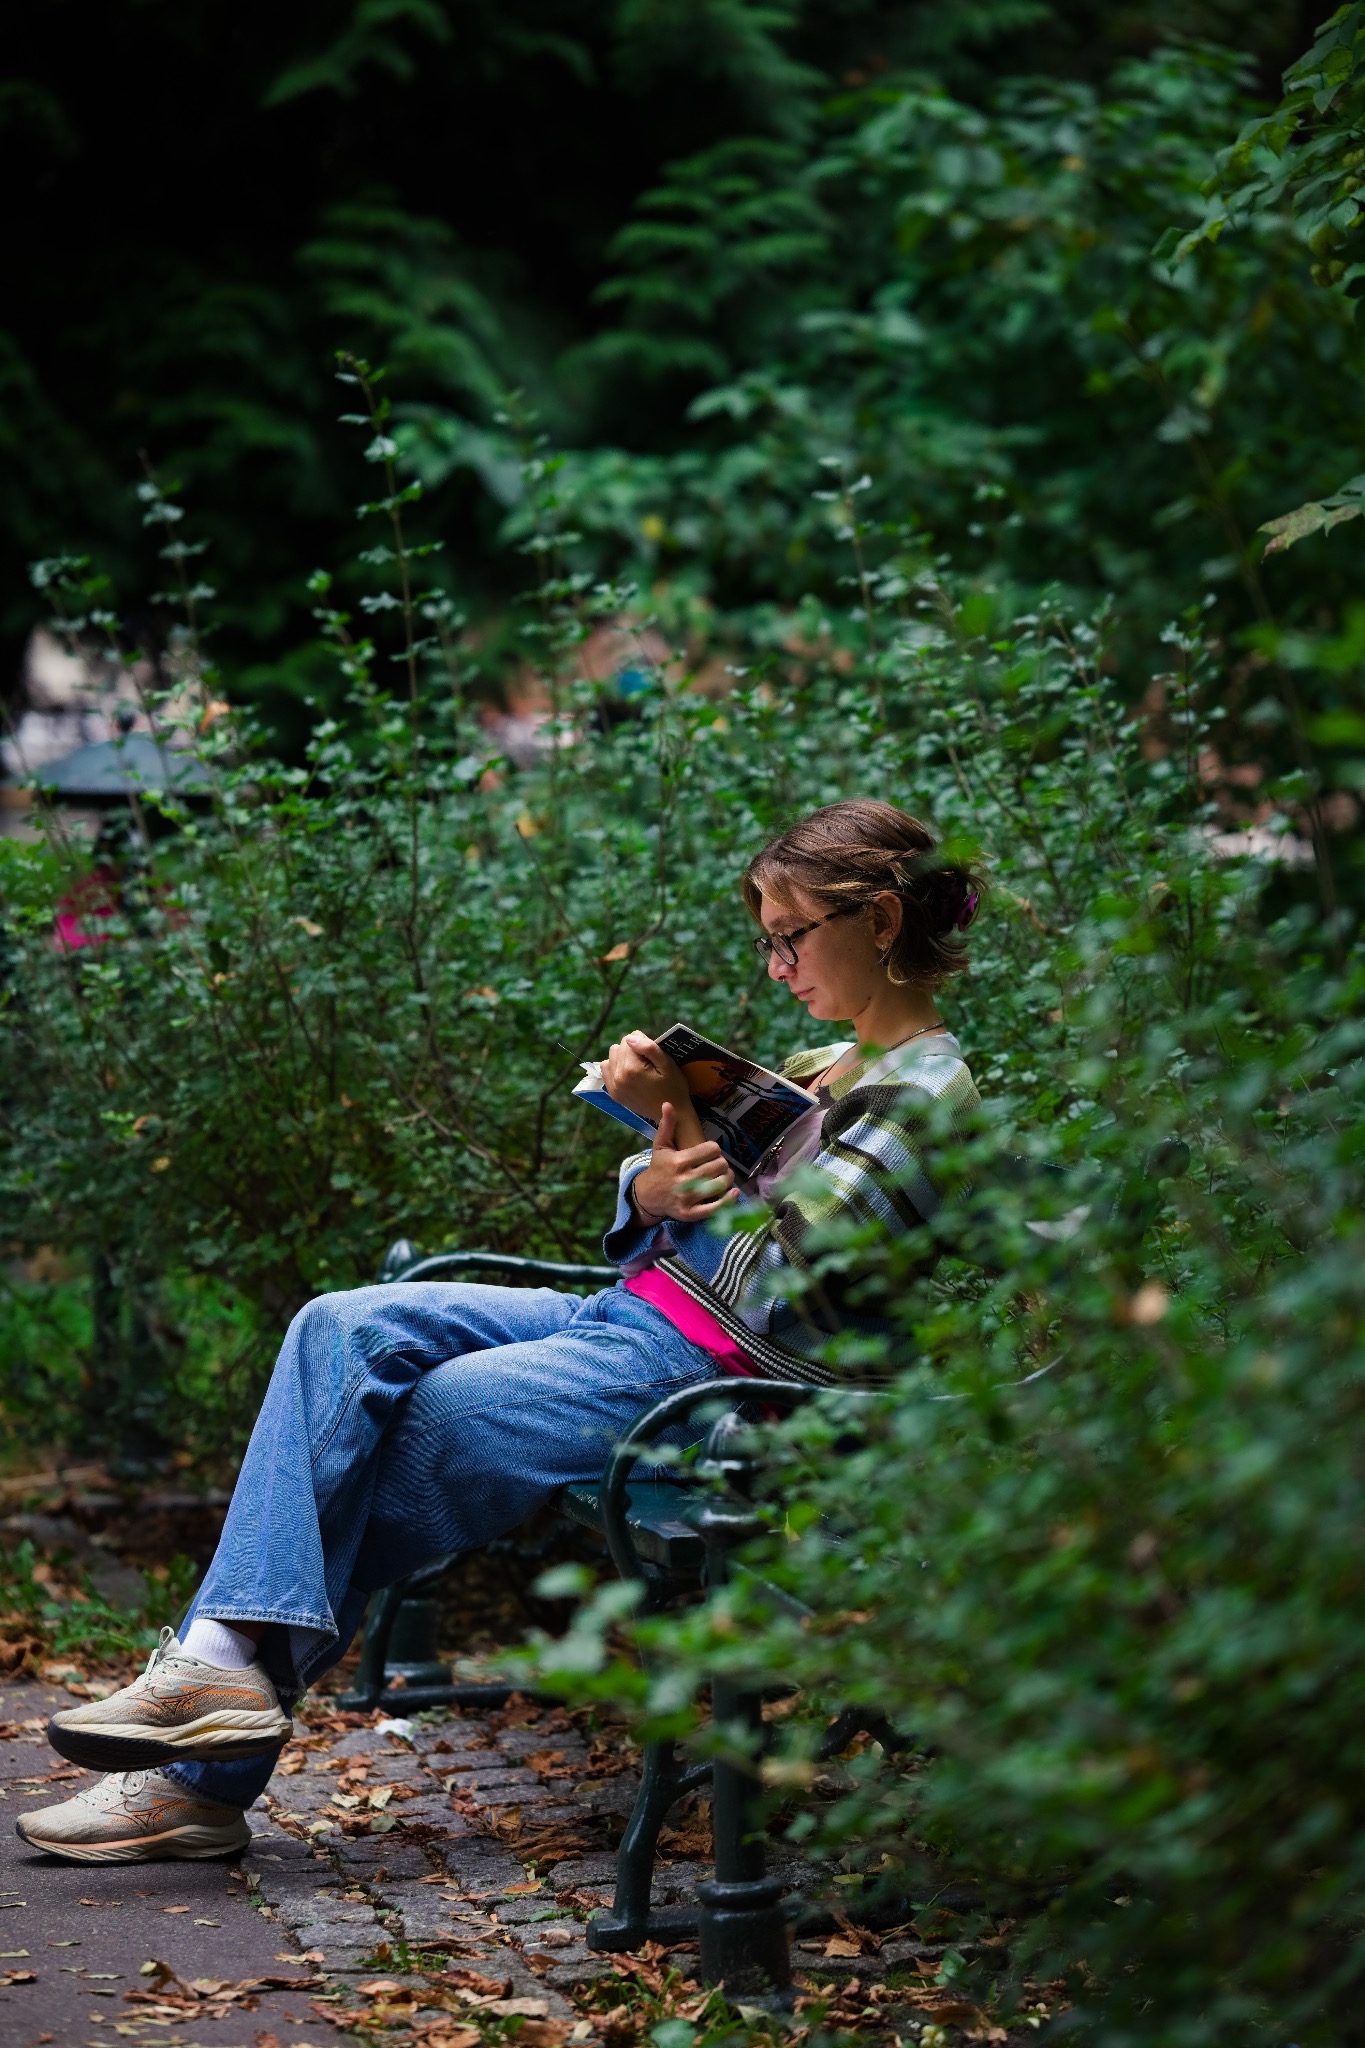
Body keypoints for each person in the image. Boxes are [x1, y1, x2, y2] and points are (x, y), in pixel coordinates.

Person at [18, 799, 983, 1864]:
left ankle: (202, 1757)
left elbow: (787, 1284)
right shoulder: (824, 1063)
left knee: (410, 1424)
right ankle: (214, 1675)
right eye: (769, 939)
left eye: (789, 935)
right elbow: (674, 1212)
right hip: (626, 1319)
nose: (775, 967)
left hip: (707, 1380)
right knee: (337, 1328)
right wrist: (653, 1184)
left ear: (882, 919)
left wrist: (691, 1126)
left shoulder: (930, 1098)